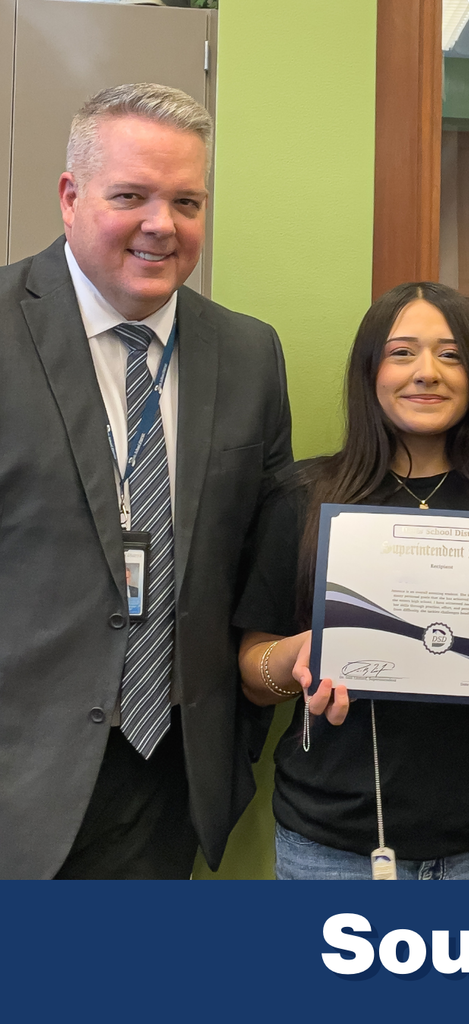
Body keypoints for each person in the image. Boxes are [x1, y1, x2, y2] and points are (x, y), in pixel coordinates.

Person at [0, 83, 292, 879]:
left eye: (186, 201)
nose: (161, 225)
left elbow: (262, 561)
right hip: (16, 772)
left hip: (167, 774)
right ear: (69, 197)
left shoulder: (248, 355)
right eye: (130, 195)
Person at [235, 282, 469, 880]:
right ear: (369, 372)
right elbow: (251, 672)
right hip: (335, 847)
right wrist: (300, 656)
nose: (427, 372)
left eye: (450, 354)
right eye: (402, 353)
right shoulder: (303, 497)